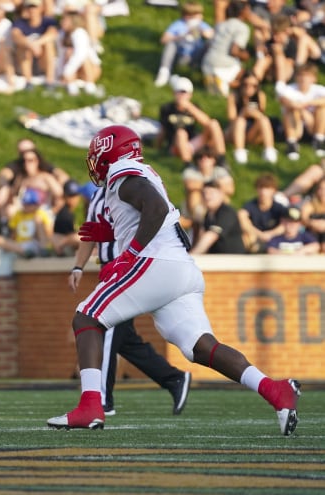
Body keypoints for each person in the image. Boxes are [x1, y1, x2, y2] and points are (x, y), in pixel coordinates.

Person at [46, 124, 301, 436]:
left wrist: (129, 255)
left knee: (87, 317)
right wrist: (111, 236)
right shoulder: (139, 174)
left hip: (157, 262)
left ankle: (90, 406)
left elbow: (156, 207)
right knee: (201, 347)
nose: (94, 161)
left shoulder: (122, 172)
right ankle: (276, 391)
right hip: (180, 268)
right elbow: (146, 215)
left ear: (112, 150)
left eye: (97, 153)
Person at [72, 183, 192, 416]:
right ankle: (174, 379)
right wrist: (77, 266)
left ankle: (102, 399)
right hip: (108, 268)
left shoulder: (129, 187)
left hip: (127, 266)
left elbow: (153, 219)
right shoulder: (98, 196)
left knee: (102, 328)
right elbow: (89, 235)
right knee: (124, 338)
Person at [156, 76, 227, 168]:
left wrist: (189, 107)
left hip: (192, 142)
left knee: (214, 123)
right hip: (176, 144)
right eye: (179, 92)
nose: (181, 96)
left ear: (190, 95)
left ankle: (222, 160)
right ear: (174, 93)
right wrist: (158, 146)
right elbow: (163, 129)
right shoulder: (167, 108)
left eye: (184, 93)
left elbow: (207, 123)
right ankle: (188, 165)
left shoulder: (194, 107)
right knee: (181, 132)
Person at [153, 1, 214, 88]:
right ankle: (164, 72)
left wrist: (204, 32)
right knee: (171, 44)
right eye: (193, 16)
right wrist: (180, 37)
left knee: (210, 44)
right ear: (186, 16)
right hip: (181, 56)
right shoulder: (178, 25)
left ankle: (208, 75)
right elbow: (163, 39)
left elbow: (213, 36)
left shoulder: (201, 25)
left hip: (197, 56)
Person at [225, 71, 278, 165]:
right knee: (240, 121)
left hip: (252, 132)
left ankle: (269, 150)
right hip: (235, 131)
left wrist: (255, 114)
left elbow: (262, 115)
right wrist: (243, 113)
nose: (249, 88)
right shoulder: (234, 96)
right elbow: (231, 119)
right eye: (246, 84)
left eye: (254, 85)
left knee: (264, 119)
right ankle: (239, 151)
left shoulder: (260, 96)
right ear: (241, 84)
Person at [201, 0, 251, 97]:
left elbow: (208, 45)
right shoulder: (242, 28)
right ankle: (226, 83)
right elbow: (234, 51)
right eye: (247, 10)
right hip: (224, 65)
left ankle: (212, 79)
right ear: (242, 12)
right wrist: (245, 56)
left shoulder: (220, 25)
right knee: (244, 72)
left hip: (207, 63)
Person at [275, 62, 325, 161]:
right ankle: (291, 143)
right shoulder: (289, 89)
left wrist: (308, 103)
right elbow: (284, 100)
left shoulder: (319, 89)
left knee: (322, 108)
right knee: (290, 111)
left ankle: (319, 140)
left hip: (313, 126)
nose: (304, 79)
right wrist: (302, 111)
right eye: (301, 75)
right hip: (296, 126)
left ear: (313, 79)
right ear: (296, 77)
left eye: (307, 76)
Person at [181, 146, 235, 232]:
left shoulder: (220, 171)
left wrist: (203, 185)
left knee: (223, 195)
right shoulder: (191, 171)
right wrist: (215, 184)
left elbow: (230, 190)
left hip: (214, 203)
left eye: (208, 157)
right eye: (200, 157)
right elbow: (190, 185)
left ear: (214, 160)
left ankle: (220, 217)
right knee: (194, 193)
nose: (204, 159)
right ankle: (197, 220)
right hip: (197, 204)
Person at [11, 0, 59, 90]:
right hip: (24, 61)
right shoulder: (20, 22)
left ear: (41, 8)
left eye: (35, 7)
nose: (32, 10)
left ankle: (50, 81)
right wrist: (30, 44)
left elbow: (53, 33)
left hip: (42, 61)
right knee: (23, 46)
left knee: (48, 44)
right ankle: (28, 82)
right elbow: (15, 35)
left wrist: (37, 43)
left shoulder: (48, 21)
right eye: (29, 7)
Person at [189, 180, 247, 254]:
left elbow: (211, 236)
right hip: (217, 260)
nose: (207, 197)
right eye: (204, 193)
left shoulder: (226, 212)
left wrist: (192, 256)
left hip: (233, 260)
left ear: (221, 194)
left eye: (211, 193)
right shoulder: (208, 215)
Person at [0, 188, 54, 258]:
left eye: (29, 204)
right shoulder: (18, 214)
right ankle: (25, 252)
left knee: (38, 220)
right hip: (20, 244)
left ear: (36, 204)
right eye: (25, 203)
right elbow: (14, 233)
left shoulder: (41, 214)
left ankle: (43, 250)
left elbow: (49, 233)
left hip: (34, 243)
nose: (26, 206)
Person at [238, 173, 287, 253]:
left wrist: (270, 234)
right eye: (260, 188)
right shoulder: (250, 205)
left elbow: (285, 224)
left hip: (275, 238)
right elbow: (242, 218)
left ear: (274, 190)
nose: (263, 192)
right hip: (255, 238)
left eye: (267, 188)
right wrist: (260, 234)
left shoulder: (279, 207)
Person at [56, 9, 102, 96]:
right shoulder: (62, 34)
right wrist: (61, 73)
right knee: (69, 52)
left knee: (80, 56)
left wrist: (67, 72)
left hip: (91, 69)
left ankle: (90, 86)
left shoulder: (80, 33)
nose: (61, 22)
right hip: (73, 70)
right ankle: (71, 86)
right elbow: (60, 55)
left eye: (65, 20)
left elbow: (80, 55)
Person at [51, 178, 82, 256]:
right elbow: (71, 238)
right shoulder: (64, 214)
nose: (73, 199)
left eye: (75, 195)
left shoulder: (68, 211)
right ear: (64, 196)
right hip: (62, 250)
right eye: (70, 196)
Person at [301, 177, 325, 252]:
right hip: (312, 235)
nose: (323, 192)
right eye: (320, 188)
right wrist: (312, 223)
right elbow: (302, 219)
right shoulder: (310, 205)